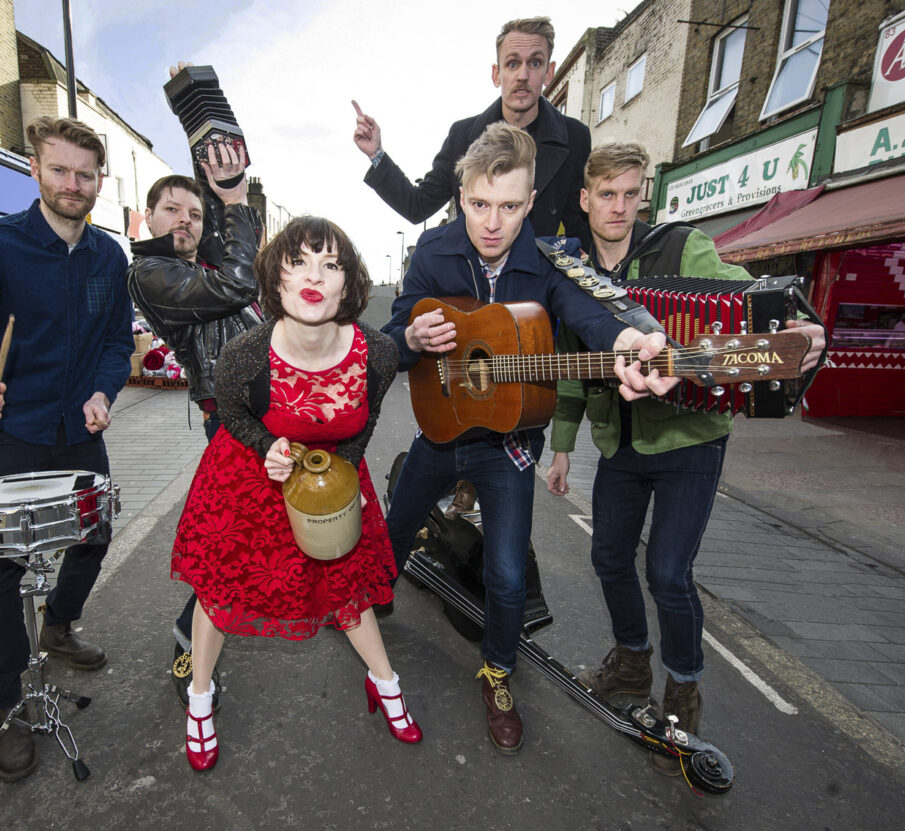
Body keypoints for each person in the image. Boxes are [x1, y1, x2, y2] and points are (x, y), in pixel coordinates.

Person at [382, 123, 673, 756]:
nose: (493, 222)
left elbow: (593, 310)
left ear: (532, 201)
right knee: (395, 524)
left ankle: (497, 673)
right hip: (441, 427)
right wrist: (410, 338)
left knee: (509, 576)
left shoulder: (549, 259)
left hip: (508, 442)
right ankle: (371, 606)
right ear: (461, 195)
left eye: (510, 206)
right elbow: (395, 328)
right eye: (481, 204)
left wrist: (629, 343)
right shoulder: (432, 252)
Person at [544, 142, 827, 775]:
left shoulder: (683, 247)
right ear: (585, 199)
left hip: (691, 437)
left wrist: (799, 332)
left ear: (643, 193)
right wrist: (561, 450)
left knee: (669, 573)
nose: (619, 207)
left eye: (630, 192)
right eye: (606, 194)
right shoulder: (571, 271)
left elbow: (752, 304)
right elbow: (570, 370)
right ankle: (630, 663)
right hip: (619, 440)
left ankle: (684, 688)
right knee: (609, 555)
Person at [171, 216, 419, 772]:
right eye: (298, 263)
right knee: (220, 594)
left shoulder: (377, 352)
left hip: (331, 474)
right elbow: (230, 411)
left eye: (330, 265)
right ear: (276, 281)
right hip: (252, 478)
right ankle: (201, 698)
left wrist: (348, 476)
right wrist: (265, 445)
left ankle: (387, 684)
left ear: (348, 283)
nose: (314, 276)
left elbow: (364, 422)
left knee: (347, 587)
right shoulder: (245, 352)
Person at [0, 117, 134, 782]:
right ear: (35, 171)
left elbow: (114, 342)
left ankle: (59, 626)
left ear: (100, 181)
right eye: (60, 170)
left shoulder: (110, 257)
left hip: (79, 430)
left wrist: (106, 390)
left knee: (96, 534)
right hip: (11, 432)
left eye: (84, 174)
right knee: (4, 568)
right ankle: (4, 706)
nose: (72, 184)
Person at [127, 95, 263, 705]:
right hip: (230, 421)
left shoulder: (201, 253)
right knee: (234, 541)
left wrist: (195, 101)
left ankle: (336, 609)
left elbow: (219, 184)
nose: (183, 219)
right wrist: (229, 206)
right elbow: (238, 283)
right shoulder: (154, 274)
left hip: (266, 410)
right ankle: (190, 641)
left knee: (265, 533)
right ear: (148, 217)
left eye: (191, 211)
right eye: (170, 210)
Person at [352, 16, 592, 251]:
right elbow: (418, 206)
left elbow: (580, 226)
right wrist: (376, 154)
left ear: (549, 73)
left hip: (538, 282)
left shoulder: (574, 137)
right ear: (496, 74)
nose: (523, 75)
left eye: (535, 63)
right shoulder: (462, 135)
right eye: (512, 63)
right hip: (472, 281)